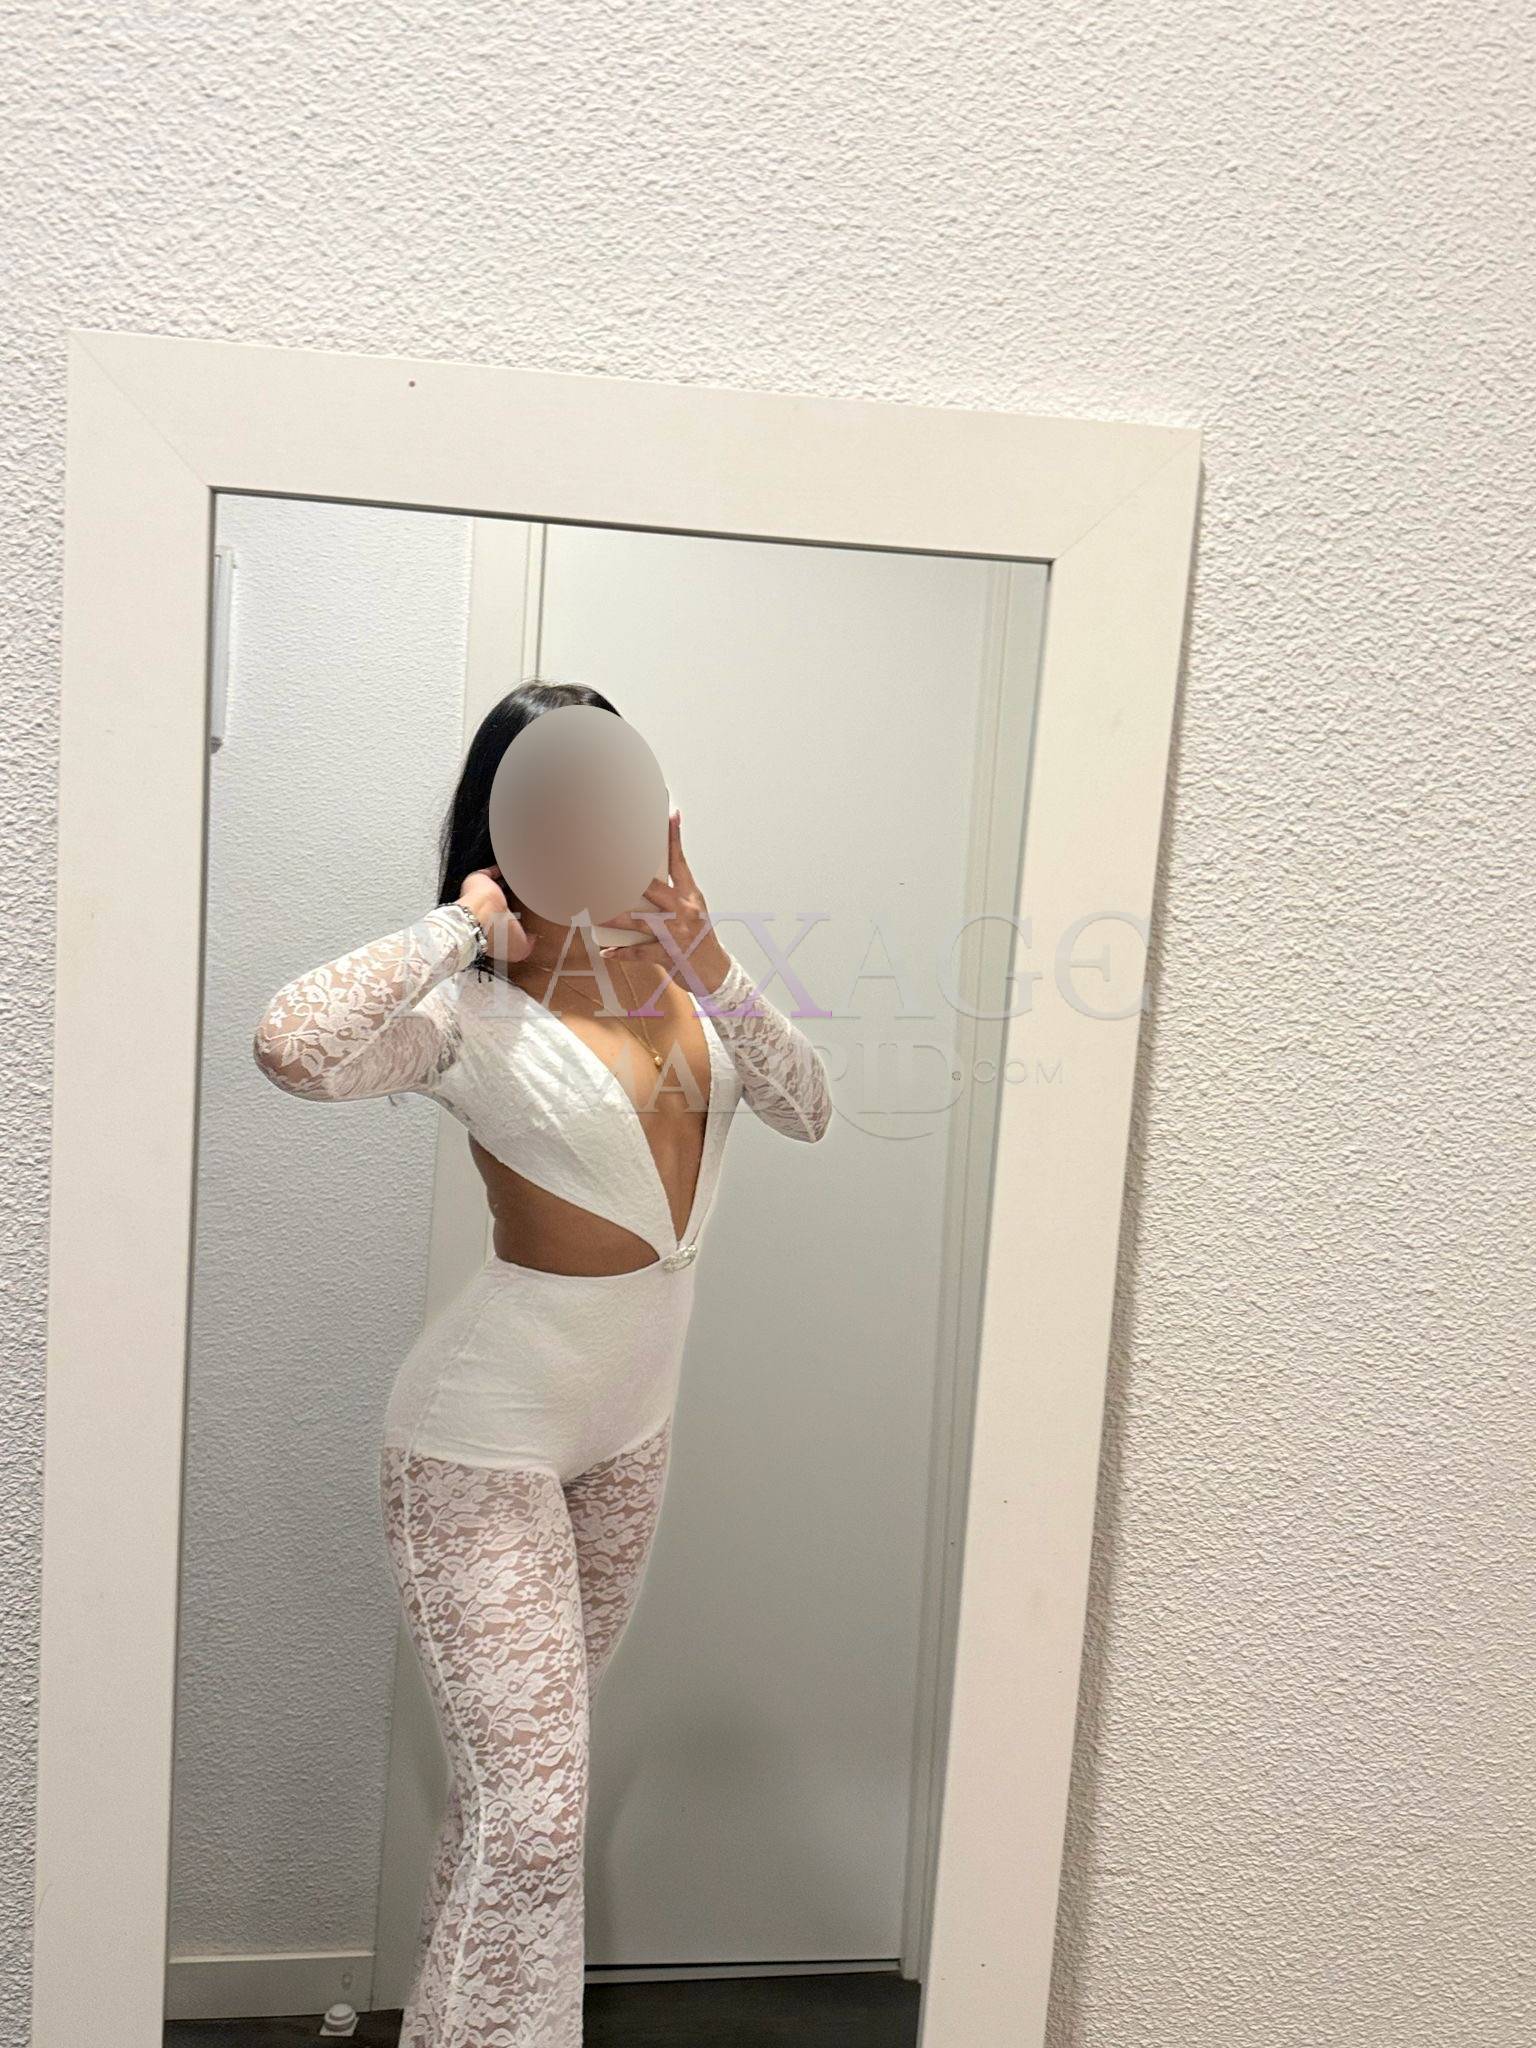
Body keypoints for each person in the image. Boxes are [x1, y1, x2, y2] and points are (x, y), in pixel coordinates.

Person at [250, 681, 832, 2048]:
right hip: (479, 1444)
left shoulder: (693, 986)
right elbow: (292, 1045)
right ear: (507, 822)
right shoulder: (471, 1012)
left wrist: (712, 959)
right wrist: (461, 924)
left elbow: (809, 1107)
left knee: (512, 1809)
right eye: (553, 800)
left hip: (628, 1436)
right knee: (538, 1815)